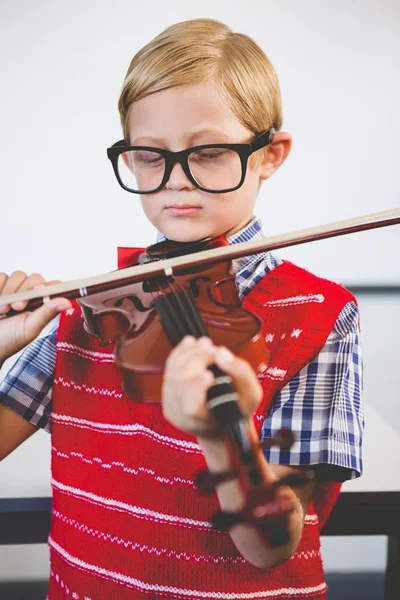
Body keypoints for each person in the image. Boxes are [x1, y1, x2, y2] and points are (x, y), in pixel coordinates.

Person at [0, 18, 363, 600]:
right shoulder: (99, 306)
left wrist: (224, 434)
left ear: (270, 155)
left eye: (210, 153)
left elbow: (272, 544)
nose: (176, 182)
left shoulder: (318, 314)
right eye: (149, 156)